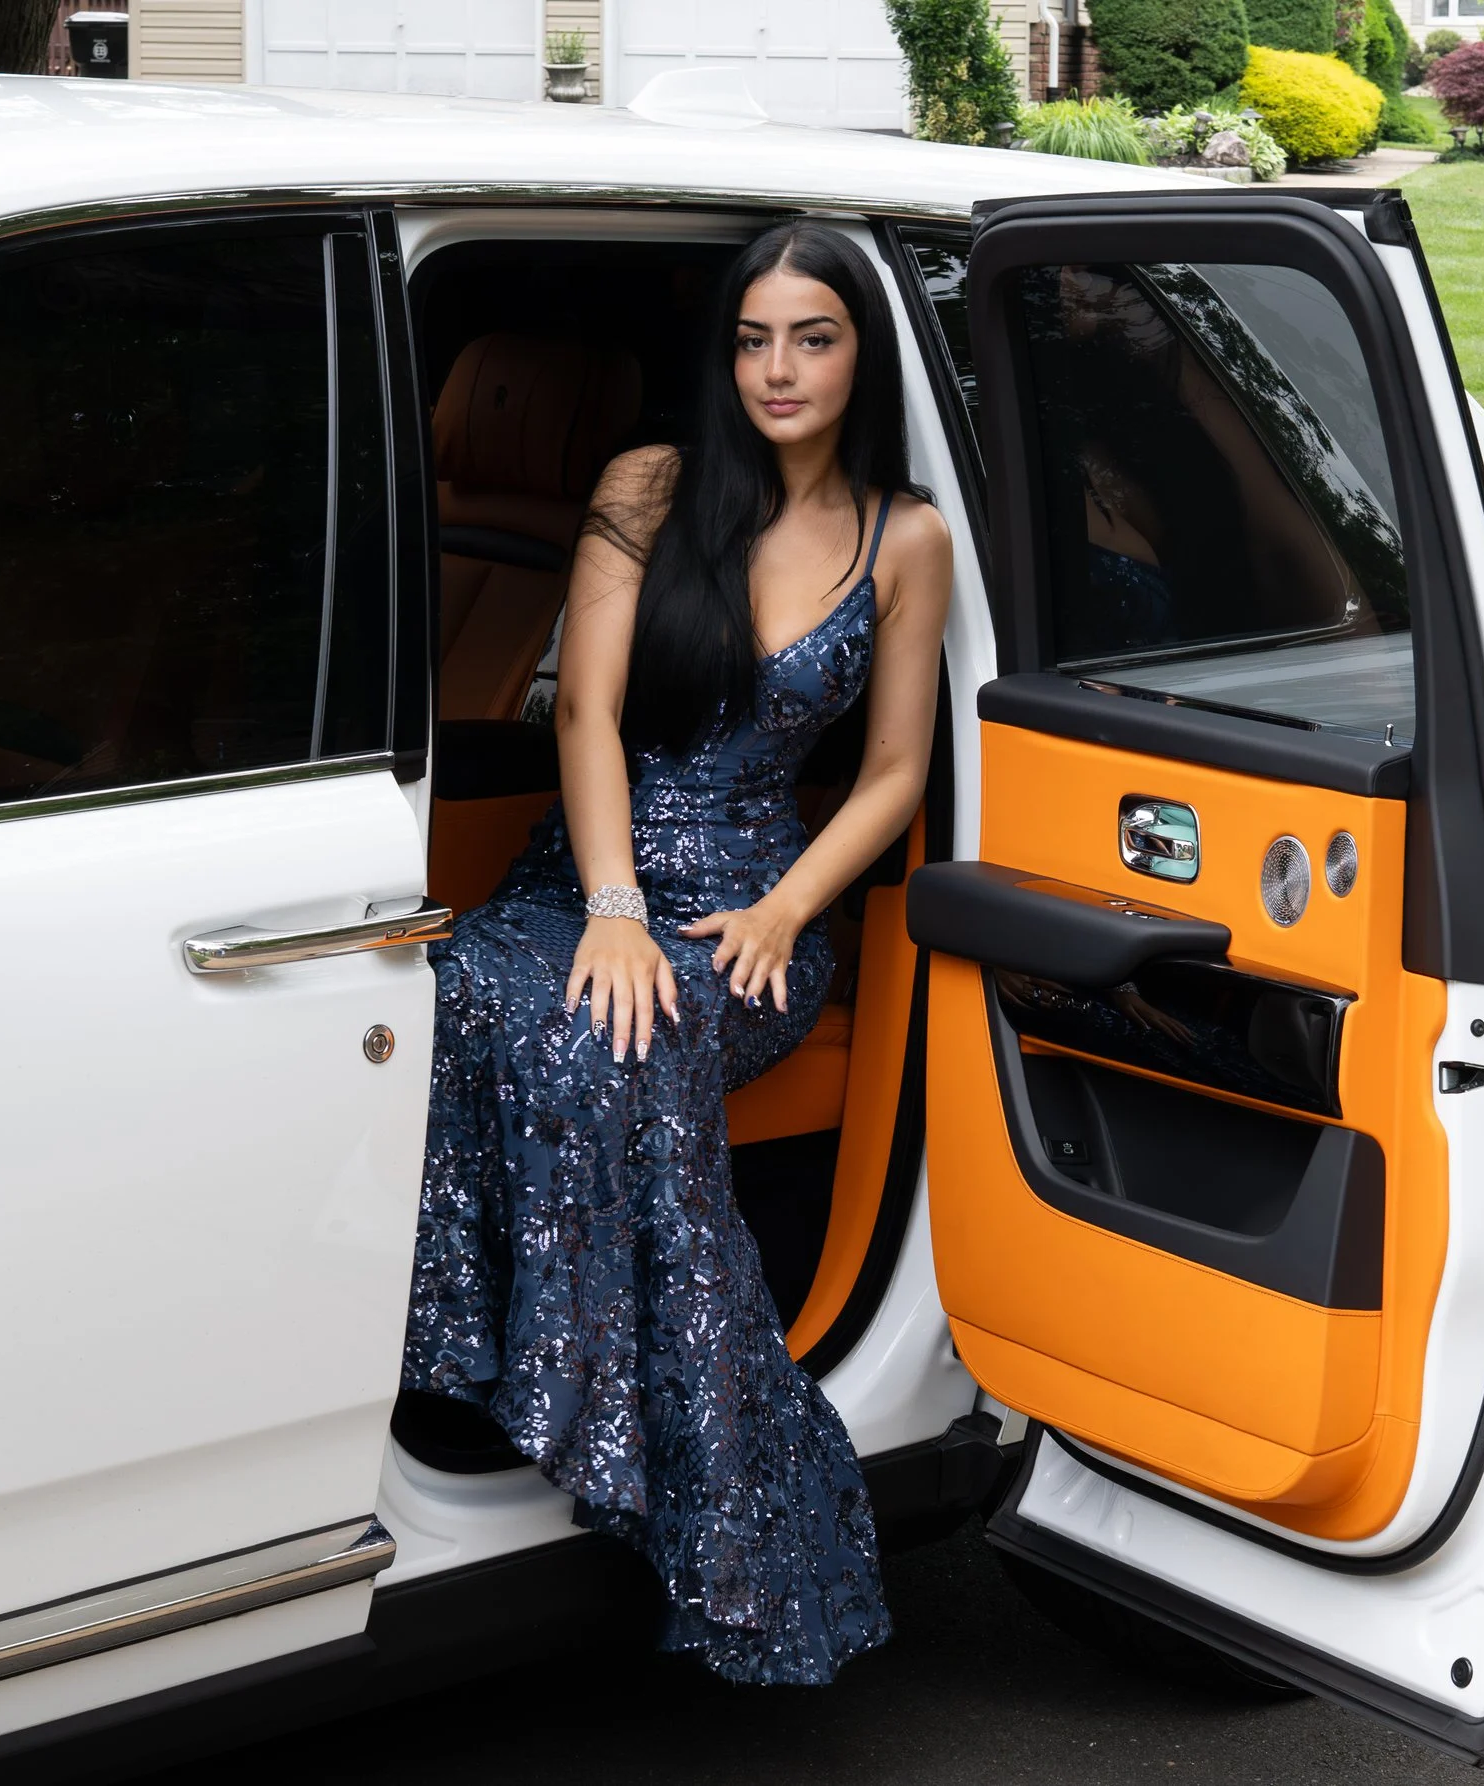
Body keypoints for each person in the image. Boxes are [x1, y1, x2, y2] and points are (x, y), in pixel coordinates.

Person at [402, 220, 953, 1686]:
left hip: (757, 913)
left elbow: (894, 771)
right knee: (464, 992)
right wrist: (613, 906)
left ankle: (637, 1445)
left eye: (813, 339)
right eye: (753, 339)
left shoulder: (906, 538)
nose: (779, 369)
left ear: (860, 356)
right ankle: (522, 1384)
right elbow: (585, 711)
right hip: (591, 881)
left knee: (617, 1042)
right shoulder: (646, 485)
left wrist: (785, 912)